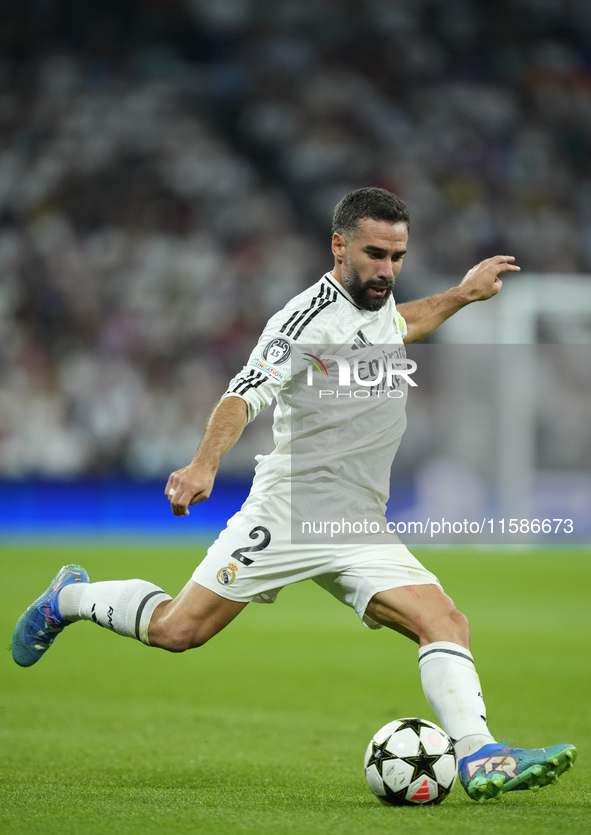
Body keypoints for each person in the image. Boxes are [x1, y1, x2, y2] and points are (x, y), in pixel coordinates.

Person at [12, 187, 576, 802]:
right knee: (179, 631)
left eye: (397, 256)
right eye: (374, 254)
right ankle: (70, 597)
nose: (386, 269)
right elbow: (244, 392)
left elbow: (400, 325)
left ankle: (481, 756)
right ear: (338, 246)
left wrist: (463, 295)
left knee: (444, 621)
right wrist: (204, 463)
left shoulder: (376, 306)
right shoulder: (302, 321)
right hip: (289, 512)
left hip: (360, 522)